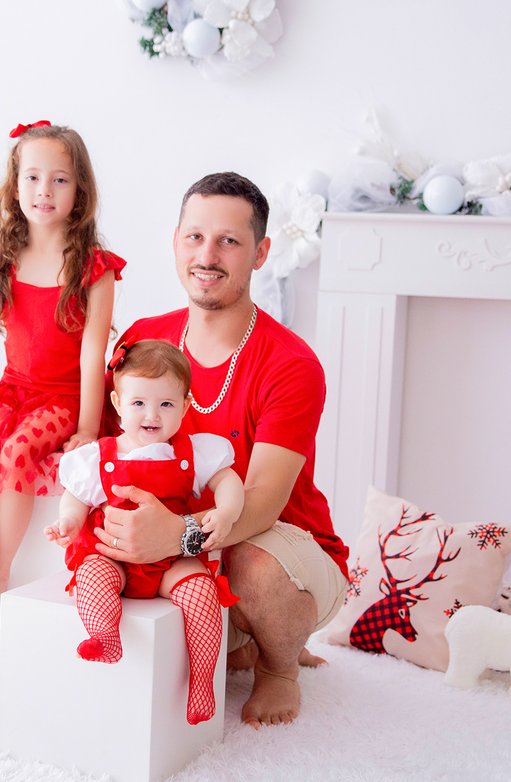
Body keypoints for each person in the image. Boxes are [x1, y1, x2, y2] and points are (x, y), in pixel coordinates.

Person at [92, 172, 349, 728]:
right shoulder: (142, 340)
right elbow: (106, 440)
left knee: (249, 561)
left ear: (260, 254)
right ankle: (247, 638)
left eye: (229, 241)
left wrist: (175, 535)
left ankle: (279, 668)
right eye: (194, 237)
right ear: (176, 240)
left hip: (281, 543)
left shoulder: (290, 365)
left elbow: (262, 500)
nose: (207, 255)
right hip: (185, 555)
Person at [0, 121, 123, 639]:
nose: (45, 190)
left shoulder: (94, 267)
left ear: (79, 191)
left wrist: (87, 429)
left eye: (60, 180)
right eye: (33, 178)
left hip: (63, 398)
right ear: (15, 188)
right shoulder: (1, 261)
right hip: (14, 387)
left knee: (18, 452)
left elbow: (92, 357)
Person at [46, 340, 244, 725]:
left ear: (185, 407)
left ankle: (202, 681)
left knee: (202, 593)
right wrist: (67, 523)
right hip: (114, 555)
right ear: (118, 404)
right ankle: (105, 636)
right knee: (91, 573)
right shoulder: (99, 456)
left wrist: (227, 511)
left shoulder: (193, 451)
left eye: (166, 404)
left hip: (173, 560)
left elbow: (229, 480)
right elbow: (75, 498)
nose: (152, 414)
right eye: (139, 403)